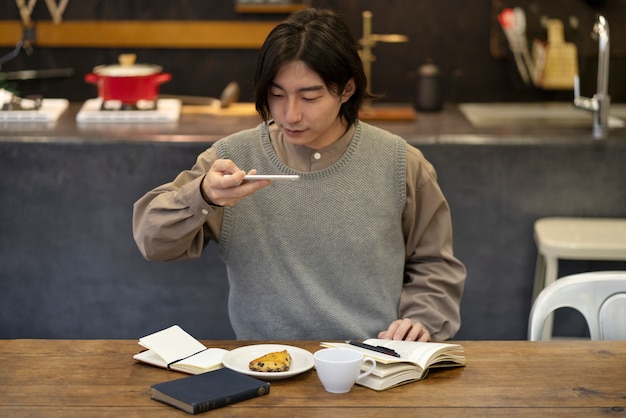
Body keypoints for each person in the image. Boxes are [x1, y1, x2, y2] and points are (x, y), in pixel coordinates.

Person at [133, 8, 466, 342]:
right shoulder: (230, 160)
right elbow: (152, 240)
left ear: (346, 90)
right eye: (276, 95)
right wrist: (202, 194)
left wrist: (423, 319)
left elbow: (435, 264)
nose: (289, 114)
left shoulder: (400, 163)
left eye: (309, 96)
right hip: (262, 369)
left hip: (373, 366)